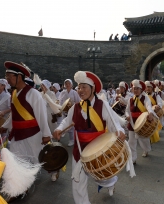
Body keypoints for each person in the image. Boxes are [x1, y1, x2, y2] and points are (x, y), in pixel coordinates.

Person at [53, 71, 126, 204]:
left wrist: (119, 131)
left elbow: (114, 123)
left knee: (104, 178)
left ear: (93, 89)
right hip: (79, 151)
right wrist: (59, 129)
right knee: (77, 182)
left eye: (84, 87)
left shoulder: (102, 105)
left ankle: (111, 183)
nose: (81, 90)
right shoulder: (75, 108)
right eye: (79, 87)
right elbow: (66, 122)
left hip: (100, 151)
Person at [1, 61, 52, 201]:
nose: (7, 79)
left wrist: (46, 134)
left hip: (33, 134)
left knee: (35, 161)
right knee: (17, 162)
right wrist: (5, 126)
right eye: (6, 76)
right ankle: (18, 189)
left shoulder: (34, 93)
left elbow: (41, 115)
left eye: (9, 76)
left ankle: (53, 169)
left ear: (19, 76)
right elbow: (14, 114)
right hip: (17, 135)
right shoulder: (14, 93)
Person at [125, 80, 154, 163]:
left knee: (144, 139)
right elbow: (127, 110)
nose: (135, 90)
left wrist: (150, 113)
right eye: (134, 88)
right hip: (132, 123)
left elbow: (149, 107)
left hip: (142, 123)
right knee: (131, 141)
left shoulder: (145, 98)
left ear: (141, 90)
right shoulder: (130, 99)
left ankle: (146, 149)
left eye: (137, 89)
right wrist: (127, 116)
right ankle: (133, 159)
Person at [59, 79, 80, 146]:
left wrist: (72, 105)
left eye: (69, 84)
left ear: (71, 85)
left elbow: (78, 101)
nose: (67, 85)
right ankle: (63, 133)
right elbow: (60, 101)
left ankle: (72, 140)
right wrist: (62, 107)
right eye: (66, 84)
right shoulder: (63, 92)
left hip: (72, 110)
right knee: (65, 123)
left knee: (71, 126)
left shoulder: (74, 92)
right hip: (65, 111)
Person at [0, 79, 11, 146]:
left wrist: (4, 111)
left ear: (3, 86)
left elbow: (12, 108)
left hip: (3, 121)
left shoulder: (8, 96)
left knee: (2, 140)